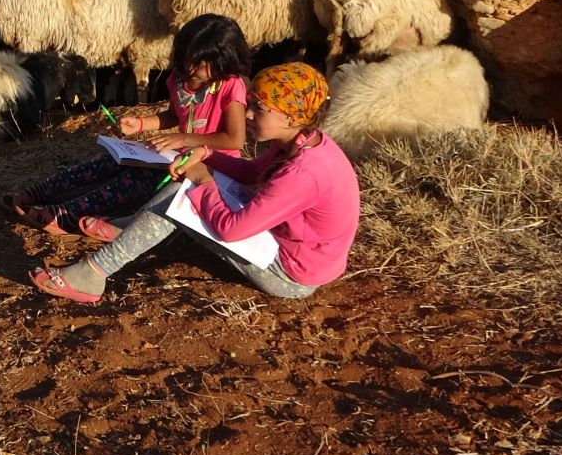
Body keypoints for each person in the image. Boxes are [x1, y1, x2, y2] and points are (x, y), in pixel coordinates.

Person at [29, 62, 359, 304]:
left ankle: (95, 272)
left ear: (291, 116)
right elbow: (252, 174)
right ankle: (129, 231)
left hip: (290, 274)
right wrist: (203, 153)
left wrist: (201, 177)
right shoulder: (302, 142)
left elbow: (232, 229)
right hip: (301, 252)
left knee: (183, 198)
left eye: (260, 109)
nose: (248, 115)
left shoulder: (303, 173)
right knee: (186, 191)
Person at [5, 14, 251, 238]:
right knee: (109, 161)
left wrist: (185, 139)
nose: (190, 69)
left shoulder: (231, 86)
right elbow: (176, 114)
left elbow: (234, 139)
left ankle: (65, 215)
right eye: (188, 60)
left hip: (213, 167)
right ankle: (39, 192)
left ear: (225, 63)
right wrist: (142, 124)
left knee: (135, 178)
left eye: (200, 65)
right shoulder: (181, 77)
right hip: (180, 154)